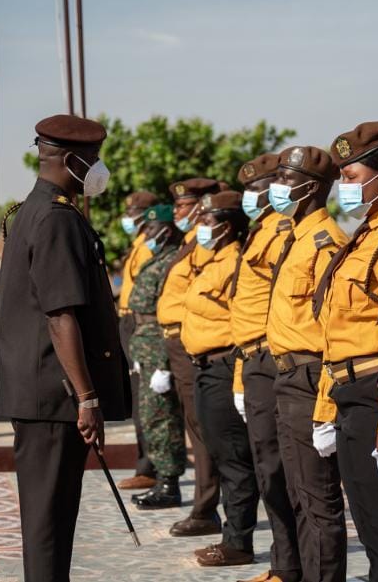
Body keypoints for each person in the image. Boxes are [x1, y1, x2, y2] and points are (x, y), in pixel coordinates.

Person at [0, 114, 130, 582]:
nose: (98, 168)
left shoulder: (28, 211)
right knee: (49, 525)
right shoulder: (56, 219)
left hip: (41, 392)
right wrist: (87, 397)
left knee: (47, 522)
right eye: (94, 160)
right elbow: (60, 315)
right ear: (73, 161)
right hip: (55, 398)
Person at [310, 122, 378, 582]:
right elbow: (336, 333)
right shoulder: (363, 235)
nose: (343, 187)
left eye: (351, 177)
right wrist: (324, 407)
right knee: (371, 522)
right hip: (348, 394)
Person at [266, 145, 347, 582]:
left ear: (311, 188)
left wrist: (326, 405)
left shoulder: (327, 243)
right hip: (287, 375)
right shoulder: (294, 239)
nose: (277, 188)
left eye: (287, 179)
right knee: (298, 492)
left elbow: (335, 329)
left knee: (318, 500)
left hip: (311, 376)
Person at [229, 154, 299, 582]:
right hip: (254, 360)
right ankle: (284, 561)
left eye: (259, 189)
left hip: (273, 359)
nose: (251, 198)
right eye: (250, 191)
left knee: (278, 469)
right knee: (267, 467)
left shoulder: (281, 232)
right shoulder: (260, 234)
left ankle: (289, 564)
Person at [182, 190, 260, 567]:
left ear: (227, 228)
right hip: (204, 367)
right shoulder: (212, 260)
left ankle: (238, 542)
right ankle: (233, 536)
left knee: (234, 459)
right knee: (222, 454)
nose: (201, 227)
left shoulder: (235, 263)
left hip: (225, 365)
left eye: (208, 222)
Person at [155, 178, 225, 536]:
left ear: (200, 206)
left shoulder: (207, 241)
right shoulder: (189, 241)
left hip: (191, 342)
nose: (178, 213)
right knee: (194, 427)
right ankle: (205, 504)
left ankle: (205, 508)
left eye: (184, 207)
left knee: (202, 430)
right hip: (177, 342)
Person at [126, 204, 189, 511]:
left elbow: (170, 314)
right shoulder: (157, 258)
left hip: (159, 346)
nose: (146, 234)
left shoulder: (172, 260)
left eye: (152, 229)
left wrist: (164, 363)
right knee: (151, 418)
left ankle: (169, 483)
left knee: (163, 419)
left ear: (166, 229)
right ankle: (162, 478)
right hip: (145, 345)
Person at [114, 190, 160, 490]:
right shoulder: (137, 245)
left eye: (135, 212)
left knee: (147, 402)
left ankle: (150, 467)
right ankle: (145, 464)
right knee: (138, 401)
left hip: (143, 324)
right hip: (128, 320)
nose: (129, 217)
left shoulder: (151, 247)